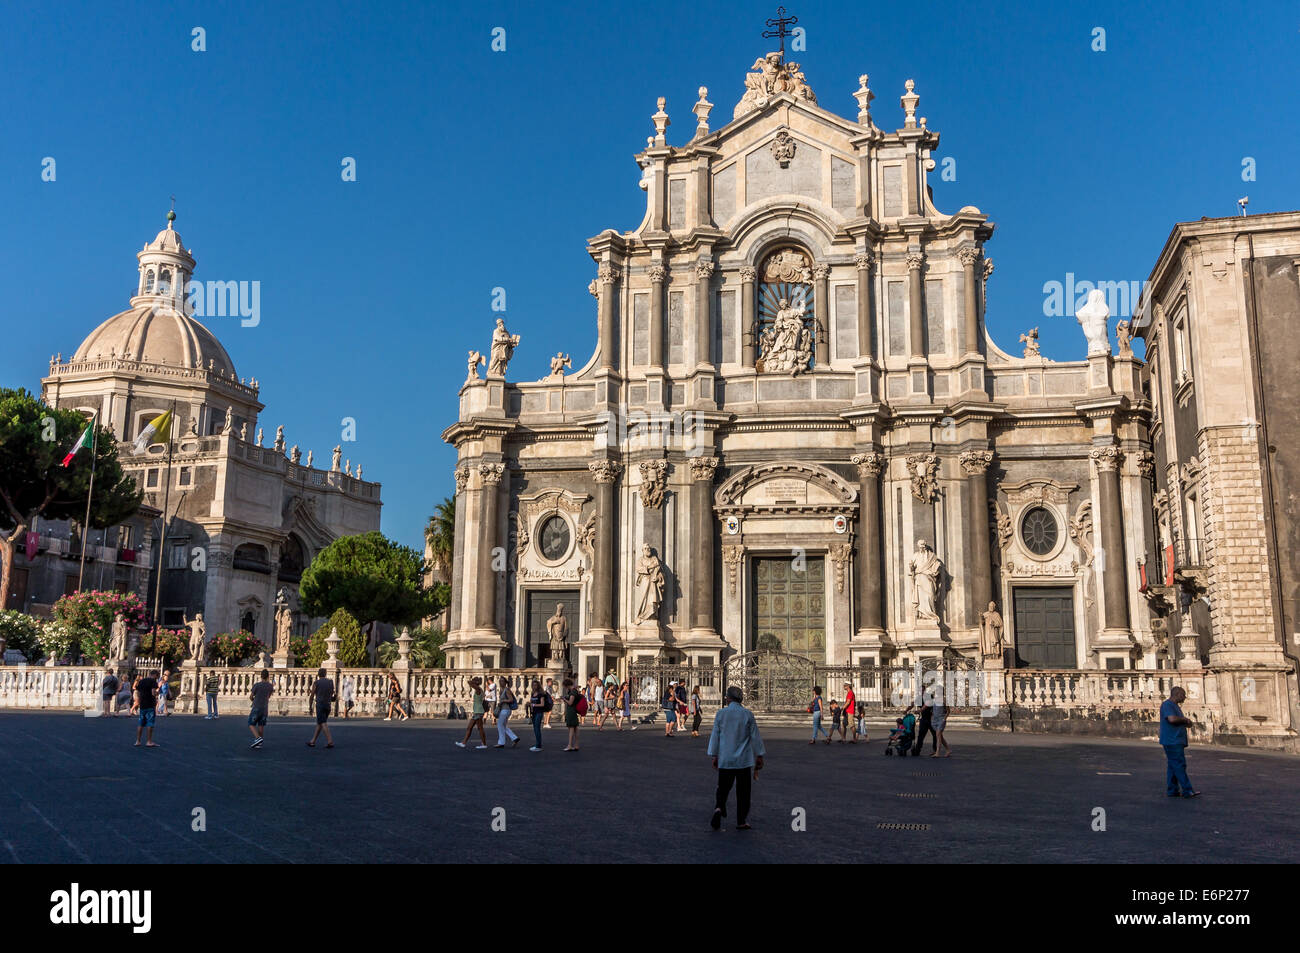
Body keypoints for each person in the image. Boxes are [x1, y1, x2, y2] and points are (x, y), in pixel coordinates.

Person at [708, 685, 765, 831]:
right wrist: (759, 755)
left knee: (723, 788)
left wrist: (714, 755)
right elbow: (755, 736)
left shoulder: (721, 714)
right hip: (743, 760)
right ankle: (741, 820)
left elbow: (715, 736)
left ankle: (719, 808)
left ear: (728, 698)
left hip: (726, 758)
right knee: (743, 792)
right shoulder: (747, 714)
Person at [1160, 686, 1200, 798]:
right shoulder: (1168, 705)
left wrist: (1186, 722)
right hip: (1172, 740)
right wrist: (1185, 720)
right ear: (1177, 694)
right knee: (1179, 765)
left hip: (1175, 739)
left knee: (1173, 766)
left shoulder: (1175, 706)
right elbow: (1172, 719)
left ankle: (1172, 790)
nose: (1185, 697)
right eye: (1183, 695)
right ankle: (1187, 790)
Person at [456, 677, 489, 749]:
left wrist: (473, 681)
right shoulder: (479, 689)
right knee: (470, 728)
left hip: (478, 712)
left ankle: (484, 744)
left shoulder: (478, 689)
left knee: (479, 728)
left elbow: (469, 683)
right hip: (477, 712)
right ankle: (463, 743)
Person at [307, 668, 336, 748]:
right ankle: (312, 741)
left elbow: (312, 695)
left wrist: (310, 706)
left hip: (320, 704)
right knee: (320, 723)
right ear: (325, 674)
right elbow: (332, 694)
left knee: (323, 722)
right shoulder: (330, 682)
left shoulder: (316, 683)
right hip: (328, 704)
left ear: (318, 674)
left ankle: (330, 741)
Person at [133, 670, 160, 747]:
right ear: (154, 675)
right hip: (150, 703)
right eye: (157, 676)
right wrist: (157, 693)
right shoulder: (153, 682)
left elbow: (137, 691)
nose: (157, 678)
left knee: (141, 723)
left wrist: (139, 699)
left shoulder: (142, 681)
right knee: (150, 723)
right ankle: (149, 741)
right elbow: (153, 692)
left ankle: (138, 741)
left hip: (143, 703)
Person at [248, 670, 274, 748]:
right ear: (268, 676)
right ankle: (259, 743)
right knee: (261, 725)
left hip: (256, 706)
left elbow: (251, 696)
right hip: (265, 708)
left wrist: (254, 700)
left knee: (251, 723)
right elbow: (268, 696)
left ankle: (258, 738)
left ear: (261, 676)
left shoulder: (257, 685)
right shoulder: (270, 686)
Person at [495, 678, 520, 748]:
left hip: (506, 710)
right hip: (503, 709)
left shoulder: (507, 690)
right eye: (499, 681)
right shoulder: (501, 690)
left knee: (500, 725)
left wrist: (503, 701)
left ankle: (501, 742)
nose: (500, 682)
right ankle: (515, 738)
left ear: (505, 682)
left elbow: (511, 699)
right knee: (503, 725)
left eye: (502, 681)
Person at [527, 679, 549, 751]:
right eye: (533, 685)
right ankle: (537, 744)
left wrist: (533, 704)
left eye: (536, 685)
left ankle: (538, 745)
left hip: (539, 713)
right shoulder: (532, 693)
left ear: (538, 686)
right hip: (534, 713)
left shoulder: (541, 694)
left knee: (537, 729)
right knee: (535, 729)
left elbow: (542, 704)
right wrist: (529, 704)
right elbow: (531, 702)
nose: (534, 686)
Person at [562, 678, 582, 751]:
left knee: (571, 728)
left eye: (564, 686)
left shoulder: (573, 692)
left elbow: (570, 702)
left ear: (566, 685)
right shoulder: (573, 691)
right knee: (575, 728)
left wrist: (564, 699)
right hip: (573, 710)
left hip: (571, 711)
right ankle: (576, 745)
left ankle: (570, 745)